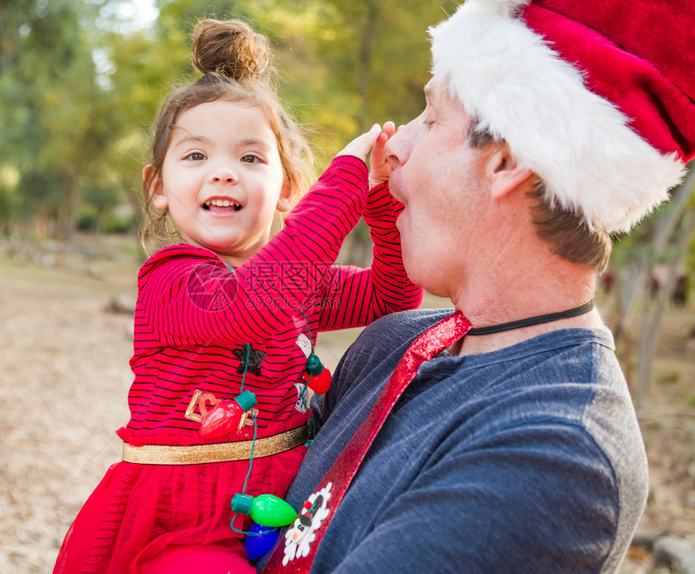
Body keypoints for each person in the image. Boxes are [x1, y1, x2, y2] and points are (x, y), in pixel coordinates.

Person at [256, 0, 695, 572]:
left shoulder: (558, 455)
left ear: (507, 163)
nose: (393, 148)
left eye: (432, 118)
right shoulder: (390, 343)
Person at [53, 18, 423, 574]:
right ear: (158, 187)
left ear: (289, 190)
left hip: (285, 507)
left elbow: (391, 295)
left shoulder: (299, 284)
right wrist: (343, 183)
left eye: (250, 158)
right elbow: (249, 307)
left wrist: (376, 201)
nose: (223, 173)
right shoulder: (171, 279)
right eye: (197, 156)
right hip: (182, 524)